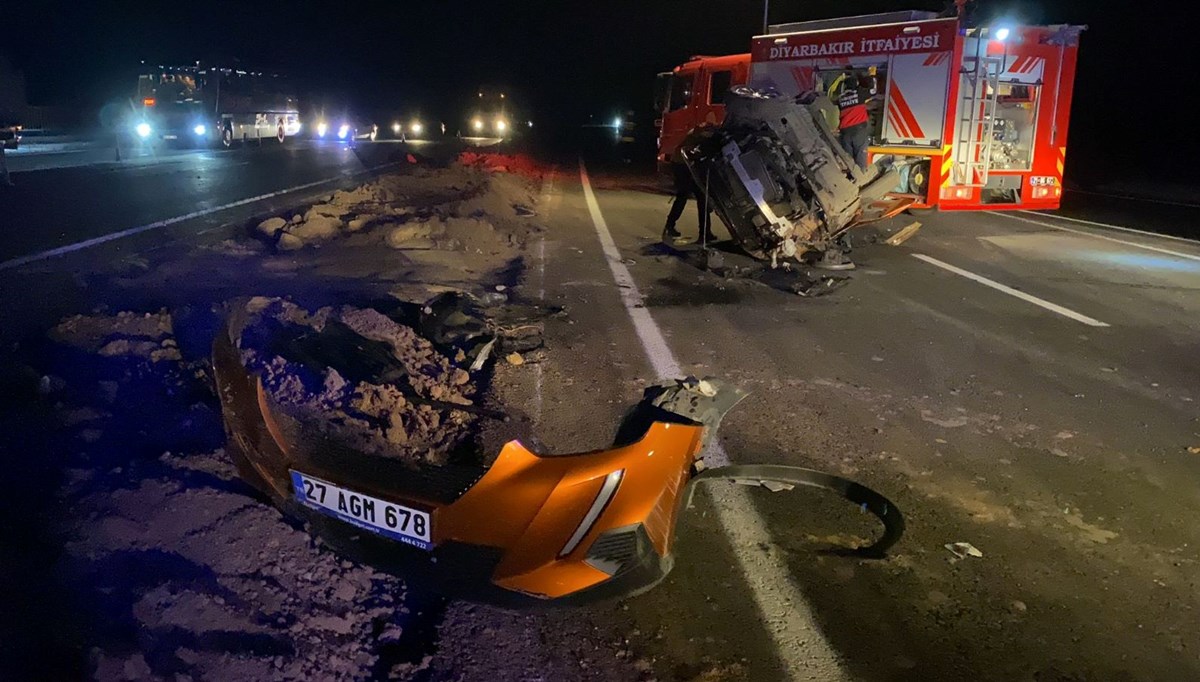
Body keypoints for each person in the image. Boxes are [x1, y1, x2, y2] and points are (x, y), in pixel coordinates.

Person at [662, 159, 715, 244]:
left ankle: (670, 226)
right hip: (686, 165)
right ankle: (704, 233)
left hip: (683, 164)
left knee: (685, 197)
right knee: (699, 197)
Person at [835, 70, 875, 169]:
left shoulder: (841, 98)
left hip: (845, 133)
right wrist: (868, 77)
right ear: (856, 84)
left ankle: (849, 179)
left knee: (848, 159)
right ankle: (861, 178)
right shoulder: (859, 93)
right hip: (859, 131)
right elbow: (873, 90)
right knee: (860, 156)